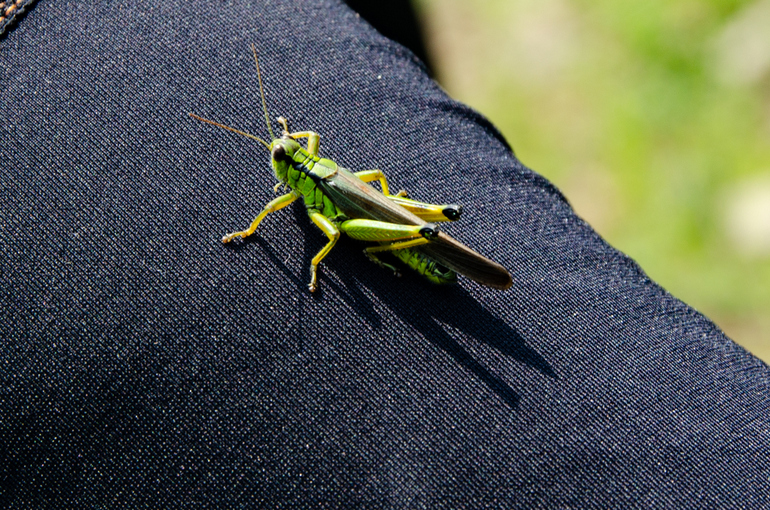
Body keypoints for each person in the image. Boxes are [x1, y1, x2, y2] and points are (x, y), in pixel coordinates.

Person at [1, 0, 768, 506]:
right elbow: (312, 160)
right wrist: (294, 143)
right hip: (370, 206)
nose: (280, 161)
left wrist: (305, 259)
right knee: (364, 196)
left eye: (284, 155)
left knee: (340, 230)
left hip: (390, 234)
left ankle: (426, 236)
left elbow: (329, 229)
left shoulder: (303, 184)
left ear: (295, 165)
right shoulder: (303, 158)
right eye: (283, 156)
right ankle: (421, 232)